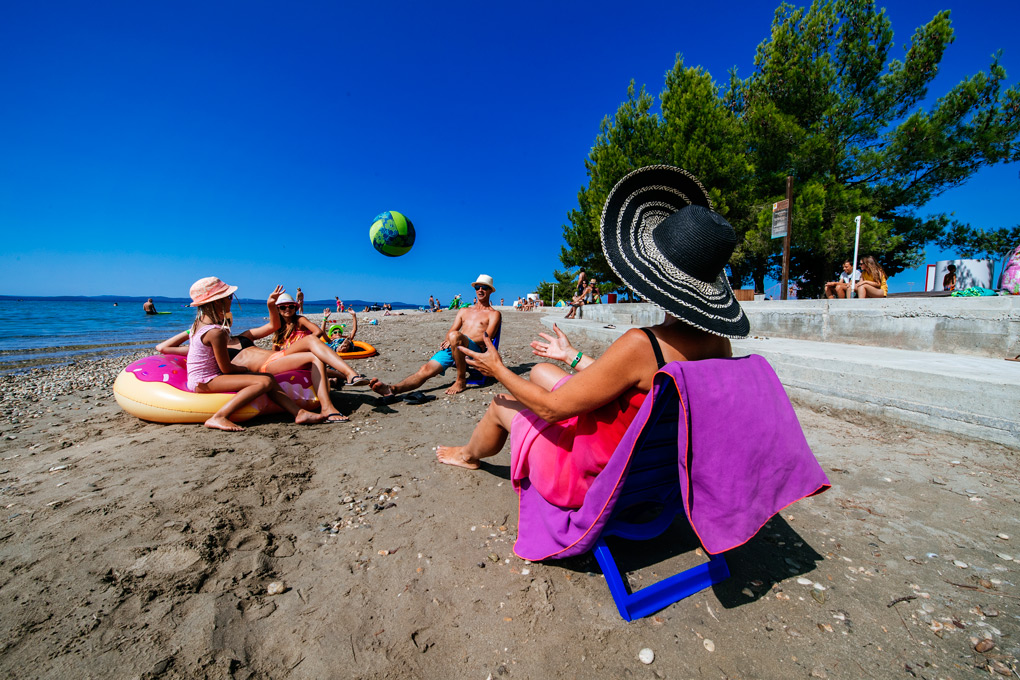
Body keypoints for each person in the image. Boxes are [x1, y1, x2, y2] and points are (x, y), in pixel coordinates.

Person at [435, 166, 749, 515]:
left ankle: (467, 455)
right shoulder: (720, 346)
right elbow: (637, 379)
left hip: (596, 477)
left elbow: (552, 410)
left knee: (499, 405)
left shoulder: (642, 344)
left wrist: (497, 368)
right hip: (655, 469)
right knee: (540, 371)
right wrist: (570, 356)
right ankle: (543, 383)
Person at [158, 286, 352, 423]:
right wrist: (190, 332)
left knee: (311, 350)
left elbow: (273, 326)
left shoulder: (242, 335)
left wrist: (270, 306)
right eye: (228, 298)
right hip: (262, 366)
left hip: (274, 358)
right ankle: (337, 386)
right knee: (291, 366)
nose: (231, 303)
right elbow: (163, 348)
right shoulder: (210, 342)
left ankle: (341, 380)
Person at [181, 277, 326, 431]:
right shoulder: (216, 332)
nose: (231, 301)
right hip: (205, 381)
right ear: (218, 301)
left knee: (268, 377)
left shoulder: (198, 325)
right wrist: (244, 370)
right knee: (263, 382)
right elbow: (226, 370)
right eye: (229, 297)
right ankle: (219, 417)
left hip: (202, 377)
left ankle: (299, 413)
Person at [371, 274, 501, 397]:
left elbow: (487, 337)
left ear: (490, 291)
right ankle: (392, 389)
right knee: (426, 369)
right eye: (477, 287)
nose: (480, 290)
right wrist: (448, 339)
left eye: (484, 287)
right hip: (455, 345)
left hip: (474, 349)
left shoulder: (494, 314)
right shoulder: (464, 310)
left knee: (455, 336)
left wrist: (456, 338)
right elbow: (452, 330)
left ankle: (460, 380)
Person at [271, 294, 370, 385]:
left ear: (295, 308)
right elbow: (274, 352)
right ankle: (344, 376)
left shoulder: (299, 320)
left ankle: (348, 374)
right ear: (278, 309)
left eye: (291, 306)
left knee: (312, 367)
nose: (287, 309)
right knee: (313, 369)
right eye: (283, 307)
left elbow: (318, 331)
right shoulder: (279, 328)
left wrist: (304, 345)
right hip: (290, 360)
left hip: (302, 357)